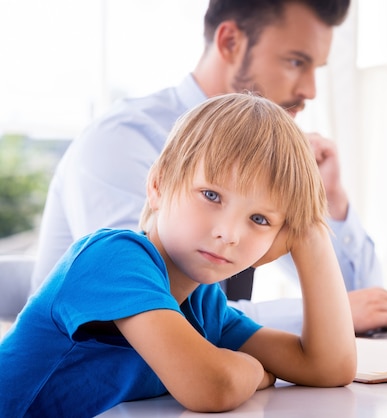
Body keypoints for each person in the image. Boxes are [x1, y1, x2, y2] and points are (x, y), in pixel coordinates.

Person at [31, 0, 387, 335]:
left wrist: (329, 206)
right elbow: (152, 311)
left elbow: (368, 304)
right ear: (231, 42)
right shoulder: (123, 141)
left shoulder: (272, 161)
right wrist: (324, 316)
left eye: (315, 70)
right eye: (296, 62)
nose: (310, 90)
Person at [0, 93, 357, 416]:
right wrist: (254, 370)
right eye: (211, 196)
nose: (228, 234)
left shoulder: (204, 305)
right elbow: (213, 387)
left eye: (260, 219)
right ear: (157, 186)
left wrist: (310, 234)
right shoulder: (113, 259)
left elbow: (328, 367)